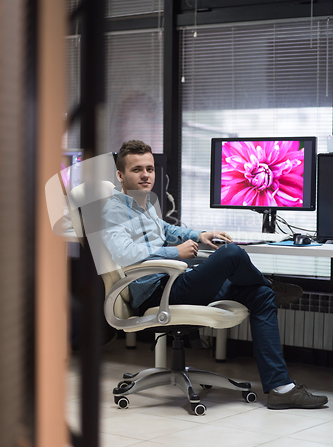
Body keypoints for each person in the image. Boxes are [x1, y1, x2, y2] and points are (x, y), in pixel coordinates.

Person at [102, 140, 328, 410]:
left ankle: (281, 388)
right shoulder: (112, 211)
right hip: (157, 292)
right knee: (231, 254)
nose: (146, 175)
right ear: (120, 175)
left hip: (175, 281)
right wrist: (175, 252)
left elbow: (165, 229)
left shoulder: (145, 204)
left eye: (149, 168)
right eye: (137, 169)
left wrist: (198, 235)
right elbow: (125, 252)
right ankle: (268, 282)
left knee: (260, 295)